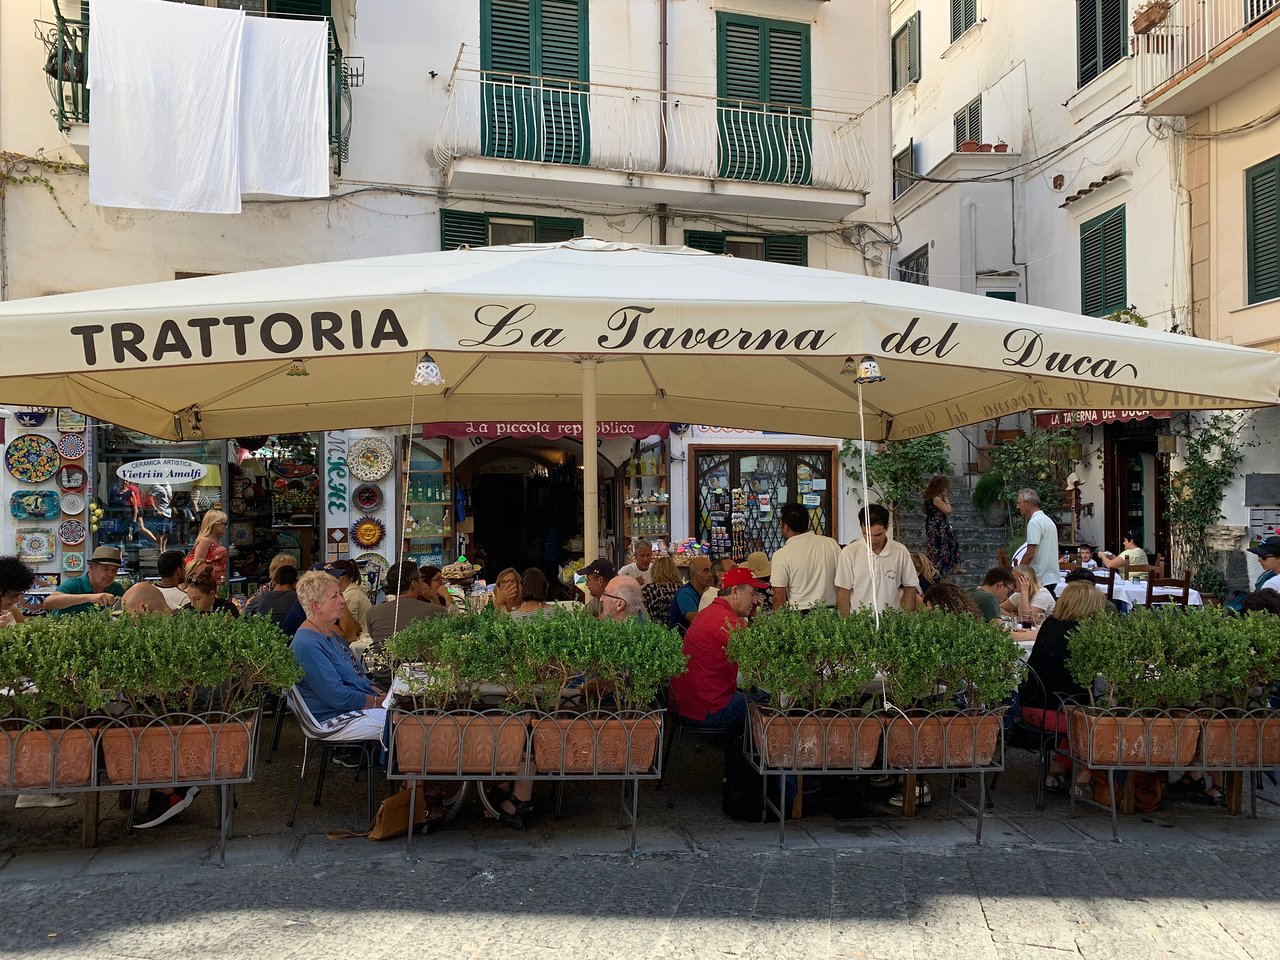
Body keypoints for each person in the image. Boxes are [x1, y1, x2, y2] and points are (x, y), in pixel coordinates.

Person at [1018, 580, 1107, 797]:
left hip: (1030, 706)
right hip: (1058, 713)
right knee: (1104, 719)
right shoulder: (1083, 633)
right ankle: (1084, 776)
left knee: (1079, 709)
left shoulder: (1050, 624)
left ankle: (1057, 769)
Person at [3, 556, 76, 811]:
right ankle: (31, 787)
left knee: (43, 720)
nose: (14, 601)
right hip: (8, 689)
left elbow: (29, 638)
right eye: (11, 595)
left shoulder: (10, 611)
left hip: (18, 684)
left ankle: (33, 786)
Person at [291, 571, 387, 741]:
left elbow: (358, 677)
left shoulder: (332, 635)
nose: (342, 600)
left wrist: (382, 694)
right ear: (315, 606)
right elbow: (337, 696)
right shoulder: (307, 644)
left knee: (411, 714)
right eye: (334, 597)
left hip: (351, 708)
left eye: (340, 593)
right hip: (330, 718)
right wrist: (378, 702)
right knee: (406, 723)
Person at [669, 567, 769, 729]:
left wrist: (752, 617)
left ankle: (738, 751)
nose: (756, 600)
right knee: (771, 701)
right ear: (735, 592)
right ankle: (750, 753)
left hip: (688, 704)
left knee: (751, 694)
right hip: (706, 709)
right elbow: (758, 657)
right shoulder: (726, 620)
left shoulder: (710, 611)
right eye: (753, 593)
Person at [366, 561, 448, 684]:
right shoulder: (436, 611)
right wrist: (434, 598)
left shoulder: (372, 612)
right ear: (413, 584)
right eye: (421, 578)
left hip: (384, 679)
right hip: (419, 681)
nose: (424, 582)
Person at [835, 504, 920, 614]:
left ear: (887, 527)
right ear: (861, 527)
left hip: (892, 621)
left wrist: (907, 620)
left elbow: (910, 587)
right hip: (859, 621)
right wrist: (846, 625)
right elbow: (843, 591)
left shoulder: (900, 551)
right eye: (866, 534)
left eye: (877, 535)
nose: (872, 540)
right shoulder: (849, 553)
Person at [769, 502, 840, 612]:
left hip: (800, 616)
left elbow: (779, 598)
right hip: (831, 614)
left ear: (786, 527)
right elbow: (843, 581)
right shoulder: (831, 544)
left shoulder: (781, 555)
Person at [44, 546, 126, 616]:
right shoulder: (75, 584)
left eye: (114, 570)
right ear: (91, 568)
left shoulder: (116, 588)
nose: (110, 574)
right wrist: (90, 597)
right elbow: (48, 603)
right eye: (105, 569)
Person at [1017, 489, 1060, 596]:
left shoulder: (1034, 522)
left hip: (1039, 578)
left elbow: (1030, 553)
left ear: (1028, 504)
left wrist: (1018, 571)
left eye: (1019, 503)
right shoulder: (1048, 520)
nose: (1018, 507)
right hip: (1051, 577)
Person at [923, 475, 960, 578]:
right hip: (937, 526)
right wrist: (946, 498)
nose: (946, 489)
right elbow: (948, 510)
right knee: (940, 546)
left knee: (949, 544)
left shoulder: (932, 497)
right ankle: (939, 569)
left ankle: (947, 568)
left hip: (937, 525)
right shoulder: (937, 499)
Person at [327, 559, 372, 644]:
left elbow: (350, 629)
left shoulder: (350, 596)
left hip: (361, 641)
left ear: (340, 577)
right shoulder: (352, 592)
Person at [670, 555, 713, 633]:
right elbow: (697, 621)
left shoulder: (708, 592)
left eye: (711, 570)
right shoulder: (685, 594)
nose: (710, 574)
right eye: (706, 570)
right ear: (693, 575)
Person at [185, 509, 229, 584]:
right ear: (215, 524)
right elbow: (198, 564)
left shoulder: (216, 540)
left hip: (217, 582)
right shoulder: (205, 540)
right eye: (224, 524)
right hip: (208, 585)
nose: (226, 526)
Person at [642, 555, 682, 624]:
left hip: (657, 630)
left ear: (654, 571)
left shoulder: (650, 589)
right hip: (680, 629)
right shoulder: (682, 589)